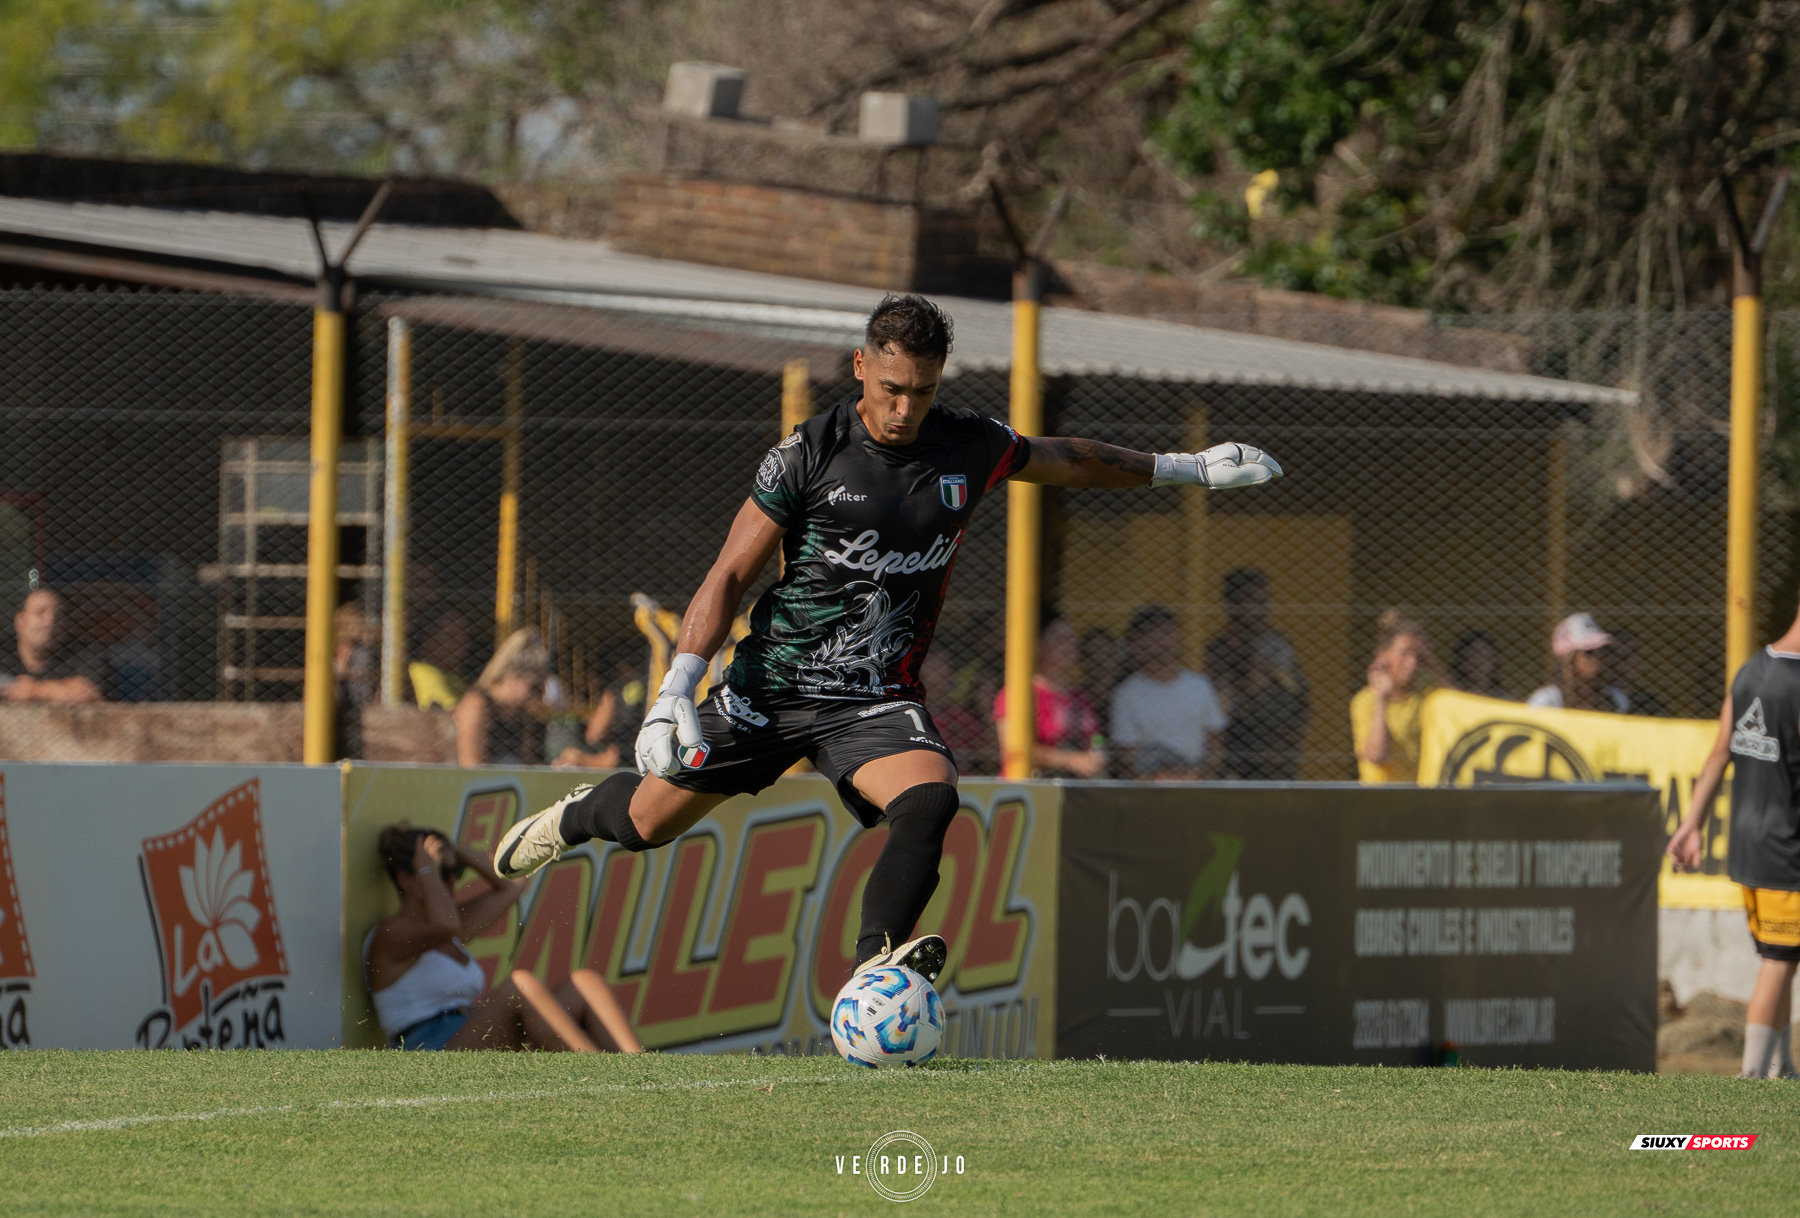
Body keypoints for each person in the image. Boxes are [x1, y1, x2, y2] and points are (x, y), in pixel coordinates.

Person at [488, 293, 1282, 985]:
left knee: (931, 794)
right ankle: (570, 821)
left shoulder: (967, 445)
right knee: (643, 827)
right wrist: (673, 690)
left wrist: (1186, 469)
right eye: (894, 389)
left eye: (924, 392)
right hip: (772, 684)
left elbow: (1065, 458)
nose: (906, 410)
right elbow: (729, 572)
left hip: (873, 699)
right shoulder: (806, 454)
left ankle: (877, 964)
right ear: (863, 366)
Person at [1665, 595, 1800, 1079]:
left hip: (1746, 846)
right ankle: (1751, 1074)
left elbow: (1719, 753)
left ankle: (1782, 1068)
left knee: (1782, 953)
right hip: (1787, 848)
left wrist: (1691, 824)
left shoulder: (1750, 671)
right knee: (1779, 961)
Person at [364, 825, 640, 1052]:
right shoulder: (391, 935)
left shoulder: (452, 926)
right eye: (442, 875)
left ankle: (644, 1072)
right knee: (519, 986)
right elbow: (445, 925)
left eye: (454, 874)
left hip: (468, 1034)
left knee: (584, 983)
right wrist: (427, 868)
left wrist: (459, 851)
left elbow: (514, 884)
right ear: (405, 879)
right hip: (428, 1053)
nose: (451, 883)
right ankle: (601, 1076)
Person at [1204, 569, 1309, 779]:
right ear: (1233, 606)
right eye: (1253, 602)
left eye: (1265, 601)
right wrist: (1253, 683)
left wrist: (1286, 743)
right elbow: (1220, 710)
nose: (1263, 610)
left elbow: (1302, 698)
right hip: (1237, 760)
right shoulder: (1219, 650)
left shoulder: (1279, 646)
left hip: (1280, 760)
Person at [1111, 605, 1227, 780]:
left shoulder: (1200, 686)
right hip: (1148, 789)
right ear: (1136, 642)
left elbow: (1215, 743)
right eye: (1152, 634)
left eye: (1167, 632)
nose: (1161, 640)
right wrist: (1156, 780)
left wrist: (1198, 776)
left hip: (1197, 784)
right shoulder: (1126, 694)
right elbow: (1126, 755)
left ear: (1178, 636)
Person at [991, 613, 1108, 779]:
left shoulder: (1080, 697)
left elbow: (1094, 740)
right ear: (1037, 645)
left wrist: (1096, 758)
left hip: (1075, 788)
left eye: (1071, 639)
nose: (1070, 646)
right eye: (1060, 639)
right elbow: (1014, 749)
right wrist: (1071, 760)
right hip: (1029, 789)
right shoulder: (1017, 694)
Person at [1350, 610, 1433, 784]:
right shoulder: (1365, 701)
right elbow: (1377, 755)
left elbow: (1462, 702)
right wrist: (1381, 698)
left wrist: (1432, 663)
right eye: (1404, 653)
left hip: (1421, 797)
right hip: (1379, 800)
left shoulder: (1427, 695)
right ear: (1384, 656)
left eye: (1418, 655)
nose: (1413, 663)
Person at [453, 629, 551, 766]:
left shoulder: (522, 713)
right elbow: (470, 764)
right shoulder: (477, 704)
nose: (539, 697)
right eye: (535, 688)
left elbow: (527, 762)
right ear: (512, 676)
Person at [1, 587, 104, 704]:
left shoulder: (83, 653)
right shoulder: (4, 655)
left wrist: (34, 690)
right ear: (20, 621)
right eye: (40, 612)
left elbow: (90, 694)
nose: (50, 621)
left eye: (58, 615)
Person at [1527, 612, 1627, 712]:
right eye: (1589, 652)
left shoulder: (1615, 698)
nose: (1597, 657)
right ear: (1568, 659)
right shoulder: (1546, 701)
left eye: (1603, 650)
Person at [922, 651, 993, 776]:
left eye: (945, 666)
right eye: (935, 666)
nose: (942, 671)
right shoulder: (909, 710)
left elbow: (987, 750)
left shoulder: (958, 715)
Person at [410, 609, 472, 712]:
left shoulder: (454, 677)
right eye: (453, 637)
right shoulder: (422, 670)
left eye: (464, 637)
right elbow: (453, 712)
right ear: (429, 640)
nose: (463, 644)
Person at [1609, 628, 1668, 717]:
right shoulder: (1595, 697)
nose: (1623, 663)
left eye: (1628, 655)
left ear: (1638, 661)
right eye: (1617, 655)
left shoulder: (1650, 706)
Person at [1449, 629, 1509, 700]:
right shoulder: (1450, 696)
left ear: (1494, 660)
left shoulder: (1504, 701)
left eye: (1484, 656)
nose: (1478, 661)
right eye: (1472, 656)